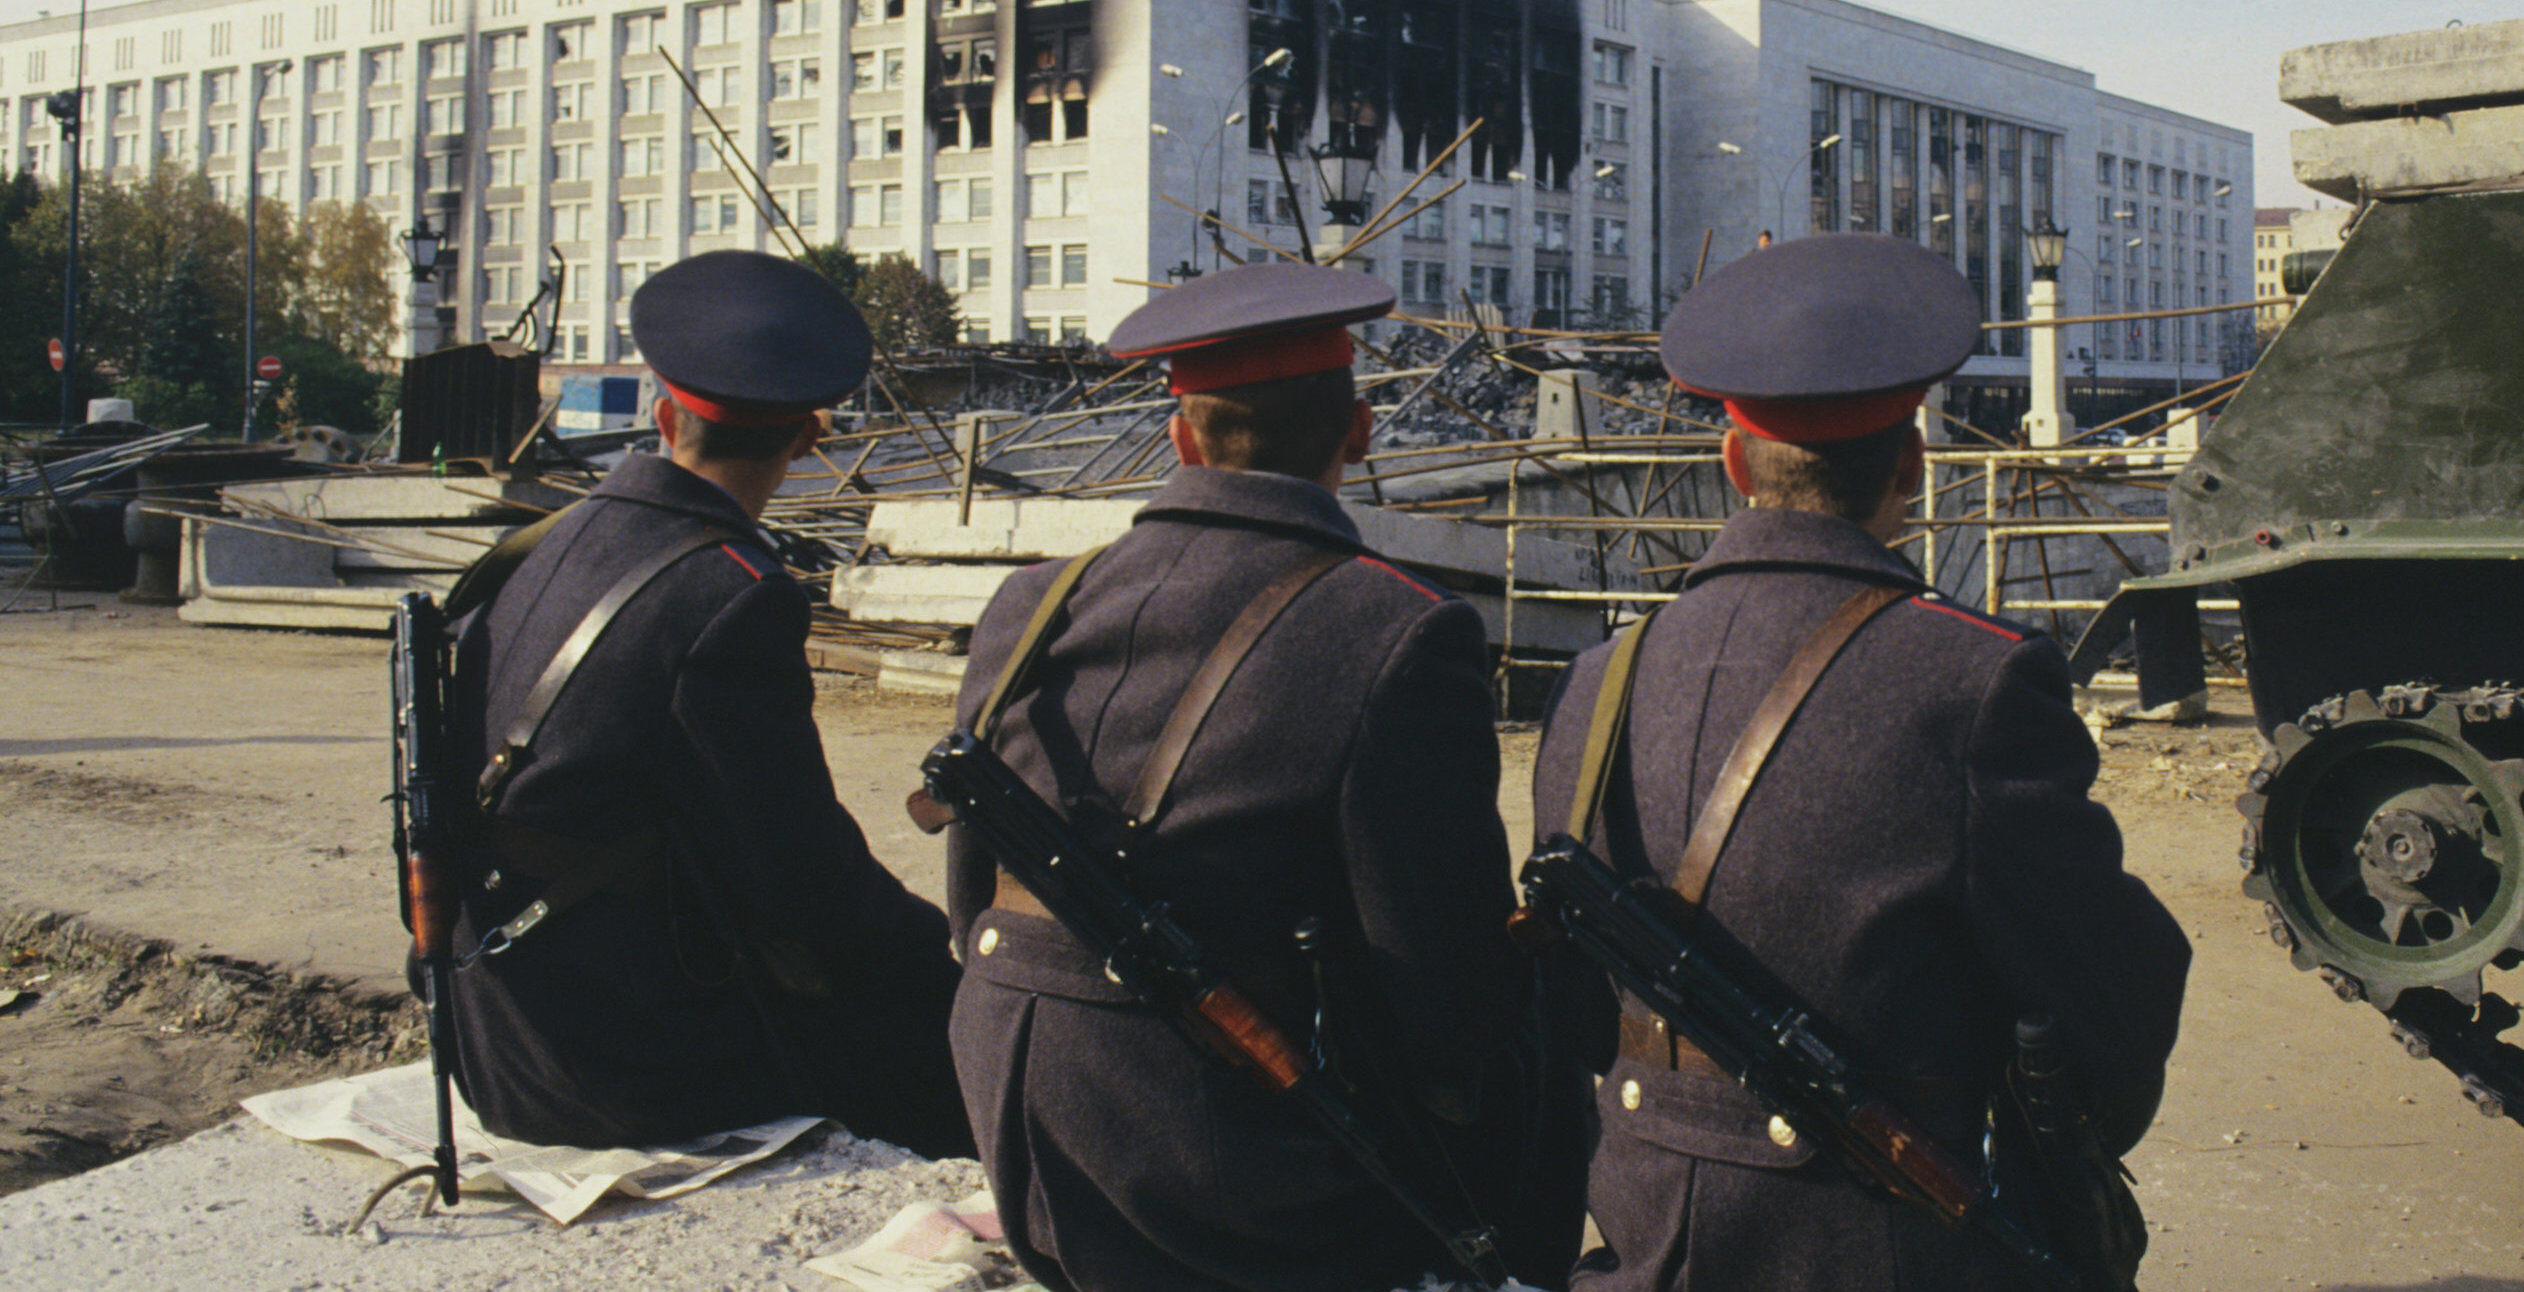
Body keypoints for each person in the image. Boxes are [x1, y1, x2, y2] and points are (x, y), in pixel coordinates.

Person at [1533, 231, 2190, 1291]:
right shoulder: (1972, 681)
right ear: (1914, 463)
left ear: (1731, 461)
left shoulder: (1600, 679)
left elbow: (1568, 1006)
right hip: (1885, 1243)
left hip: (1642, 1232)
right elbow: (2108, 997)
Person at [945, 261, 1582, 1292]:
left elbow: (968, 897)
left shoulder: (1031, 601)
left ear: (1180, 438)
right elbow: (1439, 980)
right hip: (1221, 1175)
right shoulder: (1397, 629)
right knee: (1539, 1012)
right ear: (1360, 433)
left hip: (1021, 1125)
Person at [449, 249, 969, 1156]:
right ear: (808, 440)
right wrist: (944, 971)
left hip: (489, 1028)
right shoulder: (732, 593)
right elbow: (798, 875)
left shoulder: (538, 546)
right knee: (951, 1050)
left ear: (661, 416)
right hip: (622, 1066)